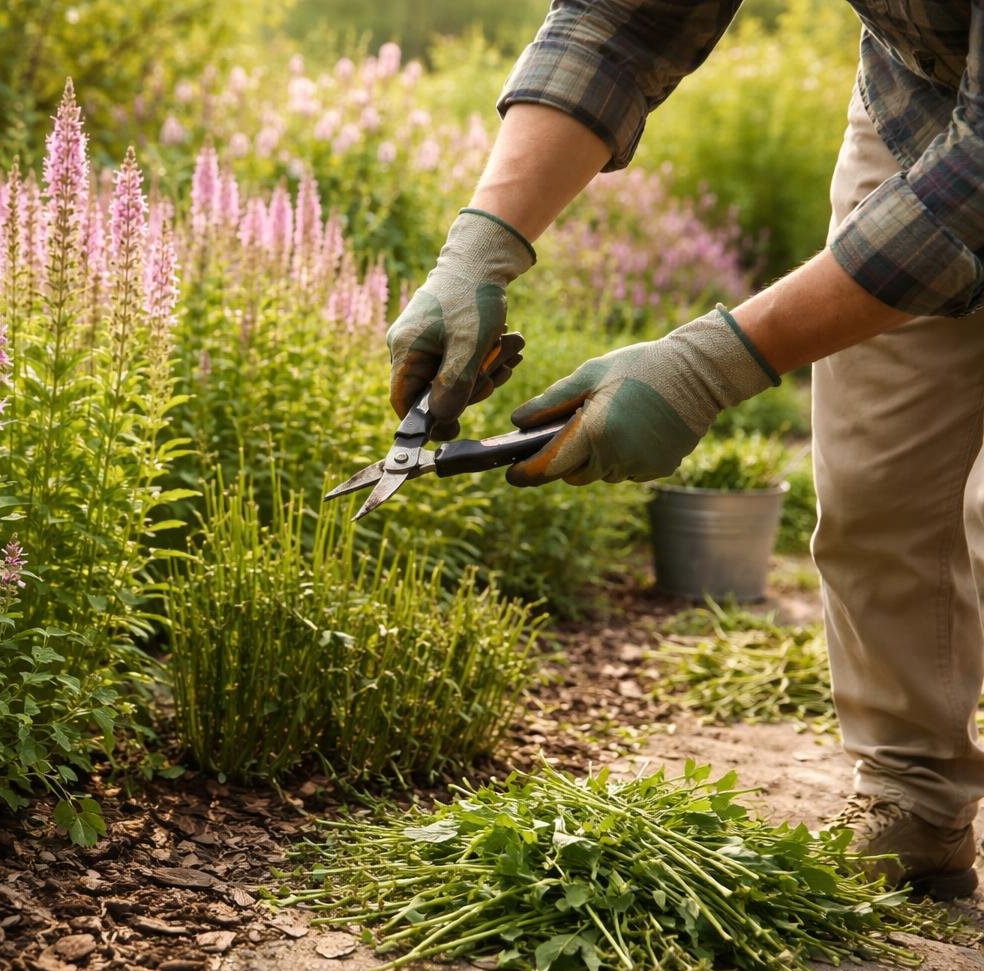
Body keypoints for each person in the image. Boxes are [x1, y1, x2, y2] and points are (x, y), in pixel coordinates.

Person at [389, 0, 984, 900]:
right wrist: (477, 251)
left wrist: (711, 365)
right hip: (915, 106)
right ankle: (915, 797)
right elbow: (621, 20)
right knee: (877, 480)